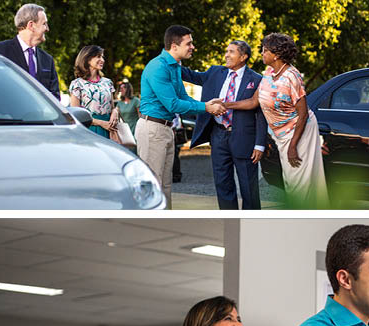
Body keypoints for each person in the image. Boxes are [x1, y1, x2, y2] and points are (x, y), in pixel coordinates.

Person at [224, 33, 328, 209]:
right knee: (291, 180)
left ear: (276, 55)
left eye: (265, 50)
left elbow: (302, 114)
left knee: (298, 183)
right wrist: (225, 104)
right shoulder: (269, 72)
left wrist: (293, 146)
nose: (262, 54)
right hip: (282, 134)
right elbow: (253, 102)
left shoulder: (291, 77)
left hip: (299, 132)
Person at [138, 25, 227, 209]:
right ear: (174, 45)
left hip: (166, 128)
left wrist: (207, 103)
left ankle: (166, 221)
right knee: (153, 184)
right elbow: (173, 104)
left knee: (166, 184)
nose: (193, 47)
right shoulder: (158, 67)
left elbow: (183, 98)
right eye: (189, 43)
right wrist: (207, 107)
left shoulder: (175, 66)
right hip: (152, 130)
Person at [181, 40, 268, 210]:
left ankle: (251, 224)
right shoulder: (215, 72)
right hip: (218, 136)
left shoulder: (257, 80)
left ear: (243, 57)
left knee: (249, 188)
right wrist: (172, 58)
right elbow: (191, 75)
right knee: (223, 185)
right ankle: (231, 221)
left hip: (245, 139)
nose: (226, 55)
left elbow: (262, 114)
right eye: (226, 51)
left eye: (232, 52)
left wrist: (260, 144)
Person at [0, 4, 60, 100]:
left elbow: (55, 97)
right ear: (31, 25)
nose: (47, 29)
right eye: (44, 24)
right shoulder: (0, 51)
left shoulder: (47, 60)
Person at [69, 45, 119, 138]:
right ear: (87, 59)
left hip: (109, 129)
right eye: (98, 56)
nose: (103, 60)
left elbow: (112, 107)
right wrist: (100, 123)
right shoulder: (77, 84)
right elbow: (76, 114)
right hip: (89, 129)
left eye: (103, 57)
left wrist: (115, 112)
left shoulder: (108, 82)